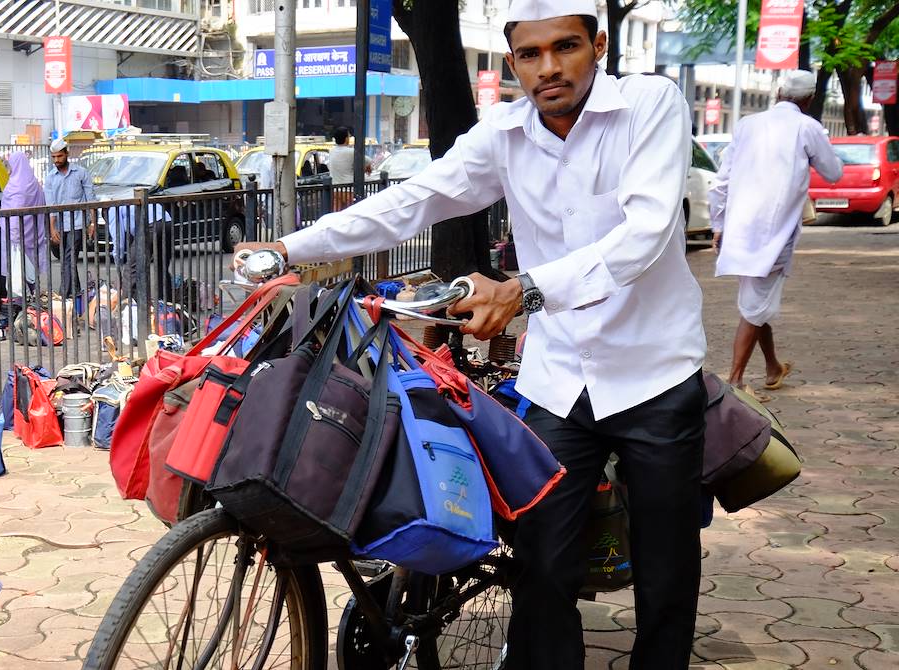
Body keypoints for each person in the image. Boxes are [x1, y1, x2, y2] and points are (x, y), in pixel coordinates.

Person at [235, 1, 708, 666]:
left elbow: (648, 232)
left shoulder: (649, 105)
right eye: (530, 55)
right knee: (543, 566)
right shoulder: (504, 134)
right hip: (559, 380)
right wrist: (289, 249)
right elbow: (410, 201)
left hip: (654, 373)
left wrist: (523, 291)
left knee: (665, 572)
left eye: (566, 47)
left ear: (597, 45)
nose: (549, 67)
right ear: (512, 61)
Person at [710, 71, 841, 400]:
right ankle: (735, 383)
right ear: (809, 100)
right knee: (754, 308)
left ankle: (772, 367)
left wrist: (718, 224)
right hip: (774, 234)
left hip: (739, 230)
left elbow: (721, 180)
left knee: (757, 300)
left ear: (779, 92)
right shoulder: (807, 127)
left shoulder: (746, 125)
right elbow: (834, 172)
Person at [43, 138, 96, 299]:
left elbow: (90, 199)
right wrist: (52, 229)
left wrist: (92, 222)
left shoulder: (81, 173)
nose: (56, 160)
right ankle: (76, 293)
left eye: (59, 156)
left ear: (67, 154)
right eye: (53, 157)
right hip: (59, 226)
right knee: (67, 261)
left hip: (78, 224)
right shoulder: (50, 178)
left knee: (68, 259)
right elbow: (51, 206)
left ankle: (63, 296)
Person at [0, 152, 47, 297]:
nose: (9, 169)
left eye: (10, 165)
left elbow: (13, 218)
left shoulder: (16, 187)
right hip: (34, 237)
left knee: (18, 279)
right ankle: (33, 311)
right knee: (31, 278)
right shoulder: (35, 185)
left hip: (17, 241)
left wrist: (14, 241)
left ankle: (22, 312)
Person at [326, 126, 370, 211]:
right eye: (349, 136)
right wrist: (366, 169)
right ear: (346, 139)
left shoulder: (331, 151)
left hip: (335, 190)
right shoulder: (351, 152)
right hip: (349, 190)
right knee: (349, 213)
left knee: (337, 214)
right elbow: (368, 161)